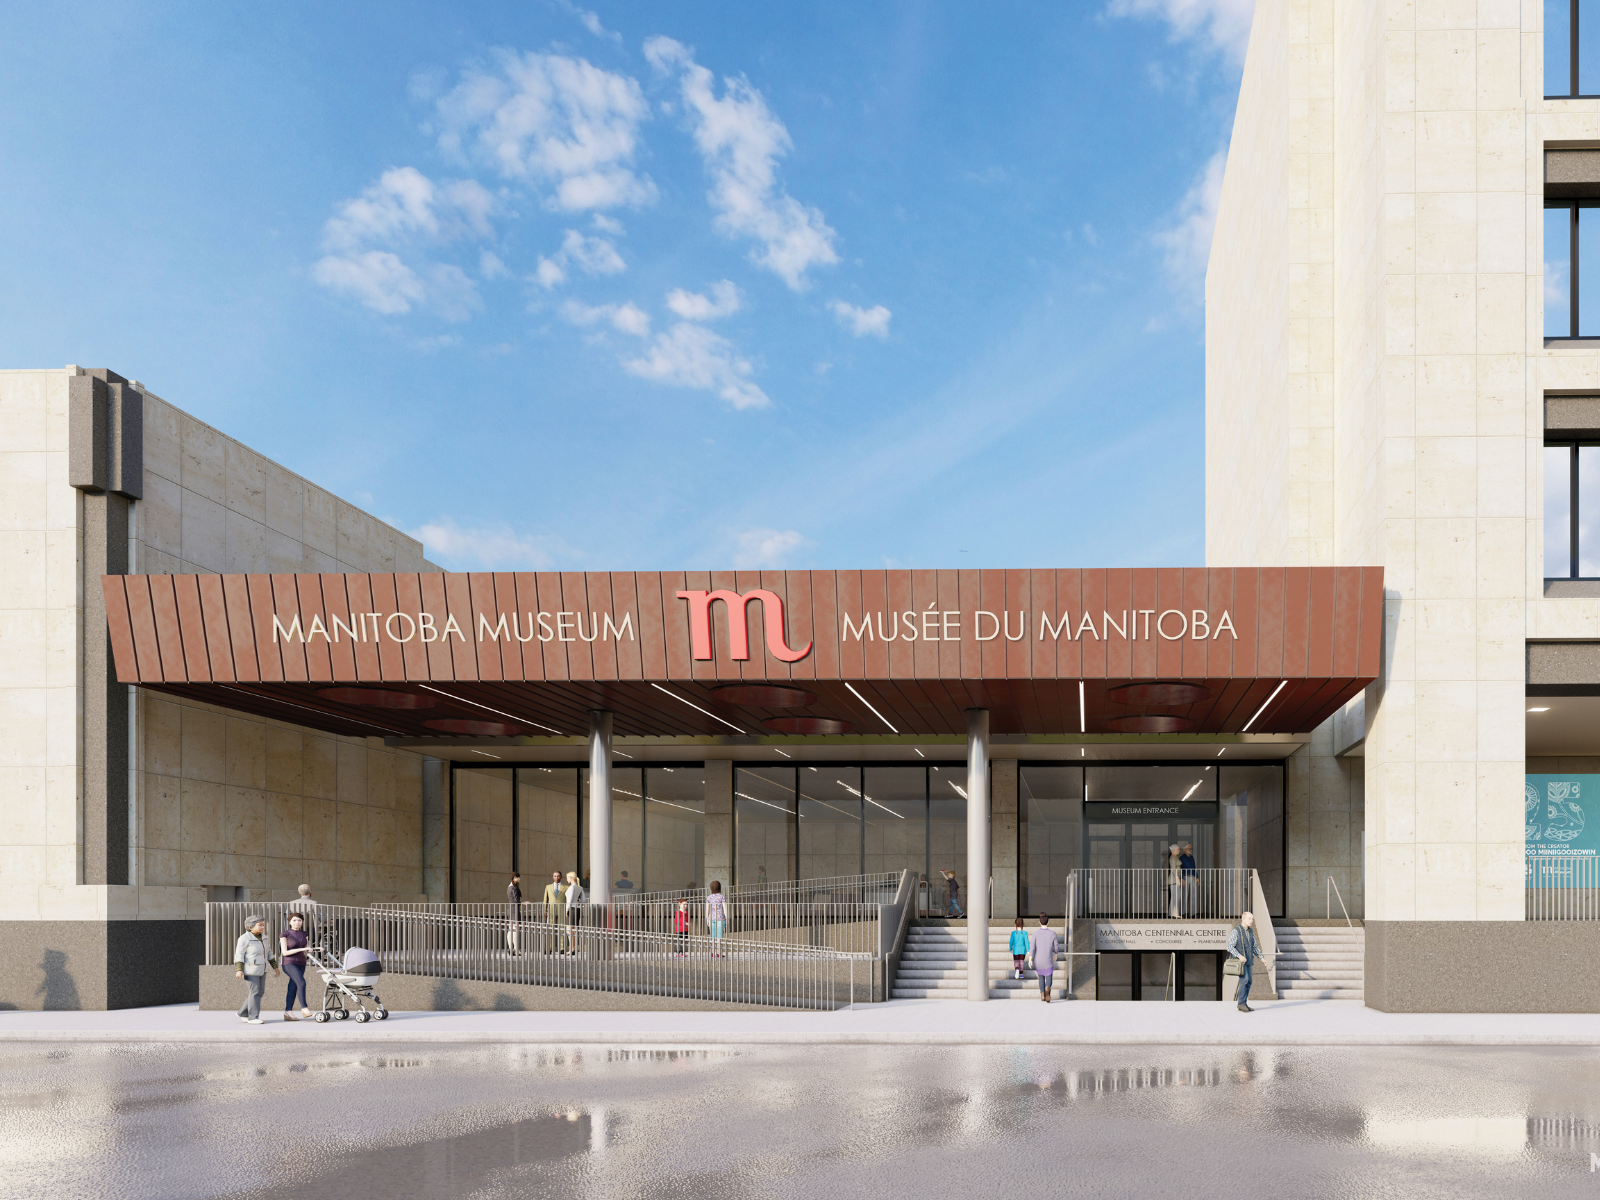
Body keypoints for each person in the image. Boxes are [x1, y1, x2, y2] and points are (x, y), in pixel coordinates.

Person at [233, 916, 279, 1024]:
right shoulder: (244, 938)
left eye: (263, 925)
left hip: (262, 969)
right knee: (255, 992)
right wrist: (239, 970)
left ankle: (242, 1013)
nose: (263, 927)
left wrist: (275, 968)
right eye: (260, 925)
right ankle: (253, 1017)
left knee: (259, 992)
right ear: (250, 927)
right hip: (250, 970)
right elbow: (239, 955)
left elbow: (269, 953)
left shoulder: (264, 937)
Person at [1227, 910, 1266, 1012]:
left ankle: (1244, 1003)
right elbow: (1230, 946)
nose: (1251, 921)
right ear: (1243, 919)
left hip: (1249, 961)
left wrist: (1261, 958)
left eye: (1252, 919)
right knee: (1244, 981)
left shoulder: (1251, 931)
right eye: (1249, 918)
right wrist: (1239, 956)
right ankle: (1241, 1004)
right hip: (1241, 962)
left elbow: (1255, 946)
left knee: (1249, 982)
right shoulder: (1236, 930)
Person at [279, 912, 311, 1021]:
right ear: (289, 922)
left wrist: (313, 949)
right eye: (294, 920)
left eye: (299, 920)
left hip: (301, 963)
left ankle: (288, 1012)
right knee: (301, 982)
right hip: (289, 963)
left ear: (302, 922)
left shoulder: (304, 934)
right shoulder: (285, 934)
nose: (297, 922)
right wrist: (302, 949)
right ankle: (304, 1008)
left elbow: (306, 947)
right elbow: (285, 952)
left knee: (293, 986)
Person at [1030, 914, 1059, 1003]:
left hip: (1038, 960)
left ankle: (1042, 995)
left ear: (1039, 922)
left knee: (1041, 977)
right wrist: (1056, 954)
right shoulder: (1053, 933)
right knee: (1049, 975)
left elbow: (1032, 947)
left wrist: (1030, 959)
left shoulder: (1035, 934)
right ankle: (1047, 989)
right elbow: (1056, 946)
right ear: (1048, 922)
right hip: (1048, 959)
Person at [542, 870, 565, 956]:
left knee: (562, 928)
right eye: (555, 876)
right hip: (551, 910)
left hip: (562, 909)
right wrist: (545, 910)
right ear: (552, 877)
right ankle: (549, 948)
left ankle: (562, 948)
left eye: (558, 876)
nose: (556, 877)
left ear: (561, 877)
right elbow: (545, 900)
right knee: (549, 928)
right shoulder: (548, 887)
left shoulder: (565, 887)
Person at [563, 870, 585, 954]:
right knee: (574, 929)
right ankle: (574, 948)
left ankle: (572, 949)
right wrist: (577, 903)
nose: (566, 879)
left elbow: (569, 900)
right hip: (578, 909)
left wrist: (566, 910)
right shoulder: (580, 887)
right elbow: (583, 900)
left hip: (571, 909)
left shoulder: (572, 887)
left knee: (569, 929)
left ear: (571, 878)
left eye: (567, 878)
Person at [706, 881, 727, 956]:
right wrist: (727, 918)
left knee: (712, 936)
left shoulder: (709, 897)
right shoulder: (722, 897)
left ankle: (712, 952)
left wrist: (707, 919)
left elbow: (707, 909)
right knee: (719, 936)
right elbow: (725, 908)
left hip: (711, 918)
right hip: (721, 918)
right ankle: (718, 952)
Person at [506, 871, 523, 956]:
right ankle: (516, 949)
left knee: (511, 929)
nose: (519, 879)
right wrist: (524, 903)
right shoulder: (514, 888)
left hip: (510, 909)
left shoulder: (509, 887)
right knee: (516, 929)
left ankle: (510, 948)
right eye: (518, 877)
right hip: (514, 910)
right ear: (514, 878)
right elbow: (517, 901)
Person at [1179, 843, 1198, 915]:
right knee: (1184, 895)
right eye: (1189, 849)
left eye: (1191, 849)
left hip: (1192, 877)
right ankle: (1182, 913)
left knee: (1193, 895)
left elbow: (1194, 868)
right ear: (1185, 849)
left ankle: (1192, 913)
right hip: (1185, 877)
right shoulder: (1181, 858)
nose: (1190, 850)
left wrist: (1197, 876)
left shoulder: (1192, 857)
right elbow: (1180, 869)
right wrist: (1181, 878)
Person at [1008, 916, 1029, 980]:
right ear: (1022, 924)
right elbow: (1026, 942)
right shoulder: (1025, 933)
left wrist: (1010, 948)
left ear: (1015, 924)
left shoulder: (1013, 933)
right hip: (1022, 950)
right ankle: (1021, 974)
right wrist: (1028, 950)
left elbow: (1011, 942)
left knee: (1016, 961)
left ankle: (1017, 969)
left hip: (1015, 949)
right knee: (1021, 961)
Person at [1167, 844, 1183, 918]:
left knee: (1175, 896)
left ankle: (1172, 913)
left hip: (1175, 879)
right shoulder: (1173, 858)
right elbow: (1173, 868)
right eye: (1178, 849)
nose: (1179, 851)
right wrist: (1177, 878)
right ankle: (1175, 913)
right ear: (1174, 850)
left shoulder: (1175, 857)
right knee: (1176, 896)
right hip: (1174, 879)